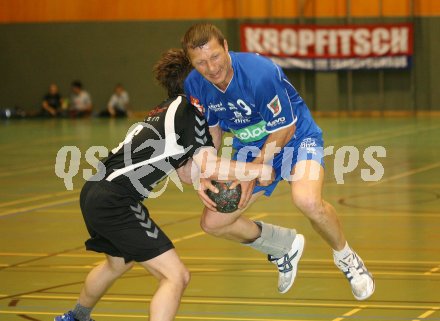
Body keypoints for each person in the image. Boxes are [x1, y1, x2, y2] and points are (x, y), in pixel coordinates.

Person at [54, 49, 274, 321]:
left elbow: (185, 173)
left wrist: (207, 177)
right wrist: (258, 168)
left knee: (117, 262)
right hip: (115, 200)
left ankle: (75, 317)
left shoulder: (164, 109)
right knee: (176, 276)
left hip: (94, 191)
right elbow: (209, 166)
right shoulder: (190, 112)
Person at [182, 23, 375, 300]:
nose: (211, 68)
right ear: (192, 63)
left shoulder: (259, 73)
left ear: (225, 46)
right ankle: (282, 246)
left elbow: (284, 128)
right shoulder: (195, 85)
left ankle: (346, 257)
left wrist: (256, 169)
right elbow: (212, 132)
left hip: (296, 137)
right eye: (200, 62)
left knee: (307, 200)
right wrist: (209, 170)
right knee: (213, 222)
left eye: (214, 56)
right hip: (249, 149)